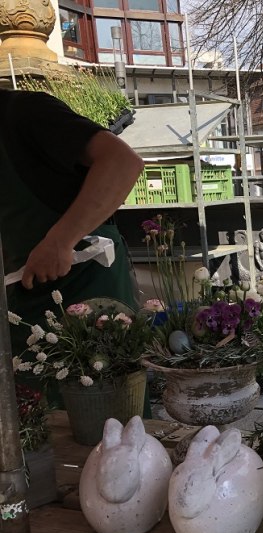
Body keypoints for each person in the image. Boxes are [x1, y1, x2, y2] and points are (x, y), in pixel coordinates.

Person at [0, 87, 144, 357]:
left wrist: (60, 242)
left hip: (86, 288)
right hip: (23, 306)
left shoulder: (24, 113)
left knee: (101, 392)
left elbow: (122, 162)